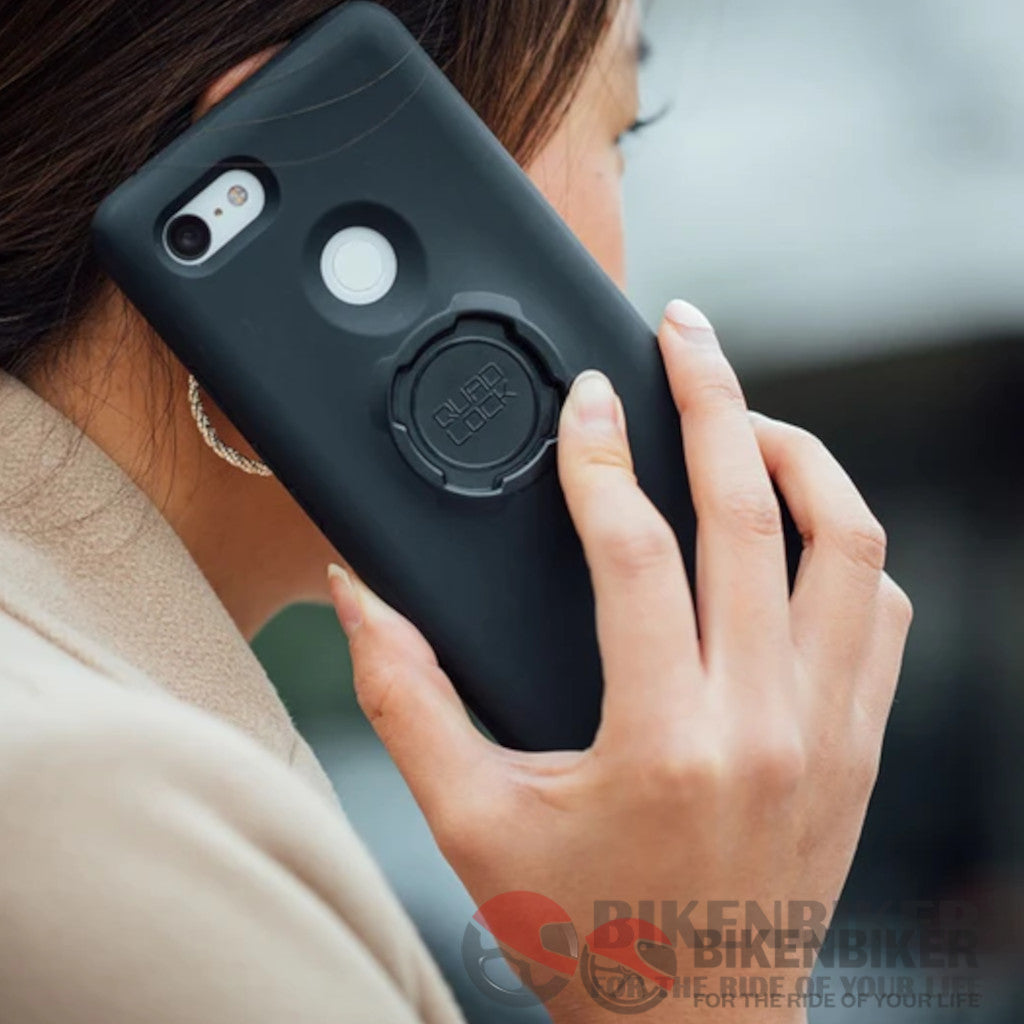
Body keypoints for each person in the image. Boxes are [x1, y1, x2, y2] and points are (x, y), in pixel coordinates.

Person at [0, 1, 912, 1021]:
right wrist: (693, 986)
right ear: (298, 131)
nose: (628, 279)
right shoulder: (105, 821)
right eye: (620, 132)